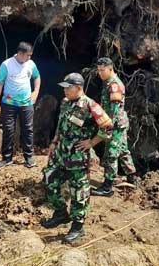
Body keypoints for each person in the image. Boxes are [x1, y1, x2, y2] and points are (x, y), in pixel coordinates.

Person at [41, 72, 113, 244]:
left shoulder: (90, 105)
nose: (65, 91)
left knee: (78, 192)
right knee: (48, 179)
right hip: (60, 154)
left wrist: (91, 142)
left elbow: (108, 126)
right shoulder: (66, 103)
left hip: (78, 158)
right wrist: (54, 142)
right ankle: (60, 213)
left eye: (68, 88)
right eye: (64, 88)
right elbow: (60, 125)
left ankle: (77, 227)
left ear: (79, 88)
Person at [92, 57, 138, 196]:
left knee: (111, 154)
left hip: (115, 124)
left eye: (103, 70)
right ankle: (132, 177)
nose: (100, 73)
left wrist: (108, 126)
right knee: (123, 150)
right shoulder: (108, 83)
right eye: (98, 70)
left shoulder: (114, 85)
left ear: (111, 69)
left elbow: (115, 109)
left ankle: (107, 186)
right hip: (118, 123)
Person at [0, 41, 41, 168]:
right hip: (8, 104)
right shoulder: (6, 65)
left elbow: (37, 77)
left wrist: (35, 92)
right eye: (27, 55)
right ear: (20, 53)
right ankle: (7, 158)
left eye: (31, 55)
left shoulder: (30, 64)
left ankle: (28, 157)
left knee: (28, 129)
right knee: (8, 130)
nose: (29, 58)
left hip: (26, 103)